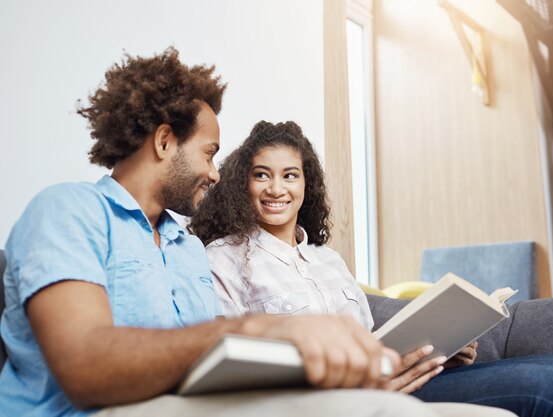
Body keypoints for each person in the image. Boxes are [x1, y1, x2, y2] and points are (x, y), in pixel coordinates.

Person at [0, 47, 513, 417]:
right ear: (163, 142)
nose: (216, 173)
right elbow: (86, 368)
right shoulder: (67, 211)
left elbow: (208, 375)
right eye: (208, 153)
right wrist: (255, 329)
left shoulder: (185, 250)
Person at [189, 120, 553, 417]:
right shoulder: (222, 258)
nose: (277, 188)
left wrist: (438, 352)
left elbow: (371, 340)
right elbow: (233, 367)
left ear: (307, 184)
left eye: (290, 175)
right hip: (343, 401)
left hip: (399, 382)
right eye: (262, 175)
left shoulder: (328, 261)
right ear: (241, 183)